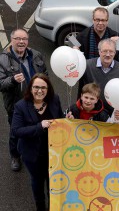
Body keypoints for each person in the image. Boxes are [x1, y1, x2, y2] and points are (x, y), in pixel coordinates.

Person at [11, 74, 65, 211]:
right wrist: (39, 127)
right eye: (36, 87)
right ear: (30, 88)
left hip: (53, 152)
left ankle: (53, 206)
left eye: (43, 87)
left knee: (52, 181)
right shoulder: (21, 106)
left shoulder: (54, 100)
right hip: (32, 153)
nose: (39, 91)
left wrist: (66, 120)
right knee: (37, 181)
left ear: (48, 89)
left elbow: (60, 119)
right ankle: (40, 207)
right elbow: (17, 131)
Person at [0, 28, 47, 172]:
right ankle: (15, 156)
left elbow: (45, 74)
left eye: (24, 39)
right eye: (18, 39)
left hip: (37, 102)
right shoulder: (3, 59)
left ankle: (35, 153)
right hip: (16, 105)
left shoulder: (36, 54)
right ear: (11, 40)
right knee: (16, 133)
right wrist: (13, 80)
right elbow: (1, 84)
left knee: (38, 128)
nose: (21, 42)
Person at [79, 38, 119, 115]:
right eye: (104, 51)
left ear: (115, 53)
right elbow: (80, 87)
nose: (108, 55)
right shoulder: (87, 65)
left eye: (111, 51)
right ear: (99, 52)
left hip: (112, 111)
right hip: (91, 109)